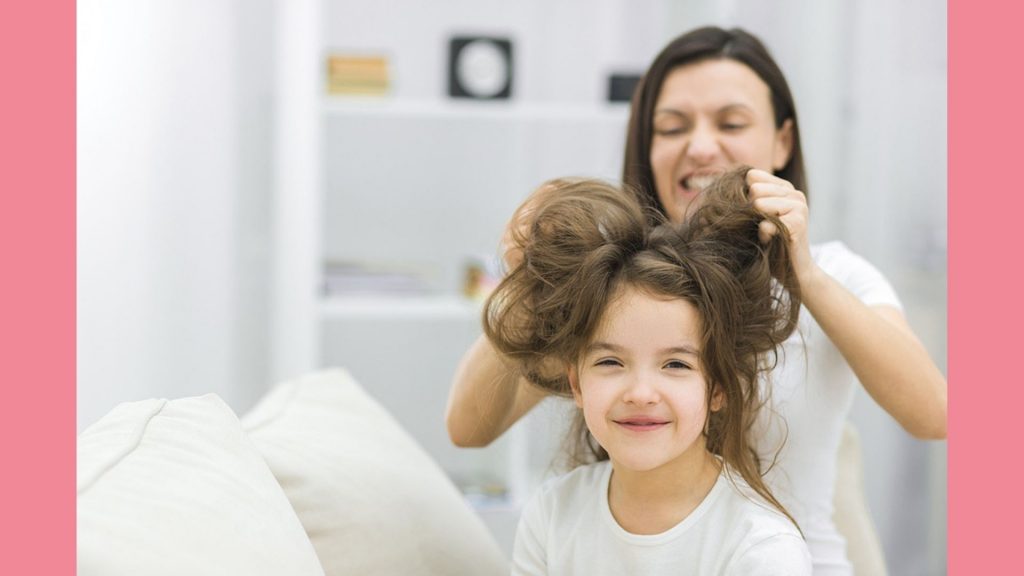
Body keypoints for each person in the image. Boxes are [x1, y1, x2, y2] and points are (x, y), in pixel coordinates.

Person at [446, 26, 947, 575]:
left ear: (783, 141)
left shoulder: (836, 275)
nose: (701, 146)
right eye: (672, 126)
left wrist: (804, 276)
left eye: (731, 123)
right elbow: (468, 429)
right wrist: (532, 280)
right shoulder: (612, 284)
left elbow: (934, 414)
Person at [487, 172, 810, 575]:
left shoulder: (761, 548)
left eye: (676, 365)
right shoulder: (553, 512)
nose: (641, 393)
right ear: (576, 383)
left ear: (719, 387)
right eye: (610, 362)